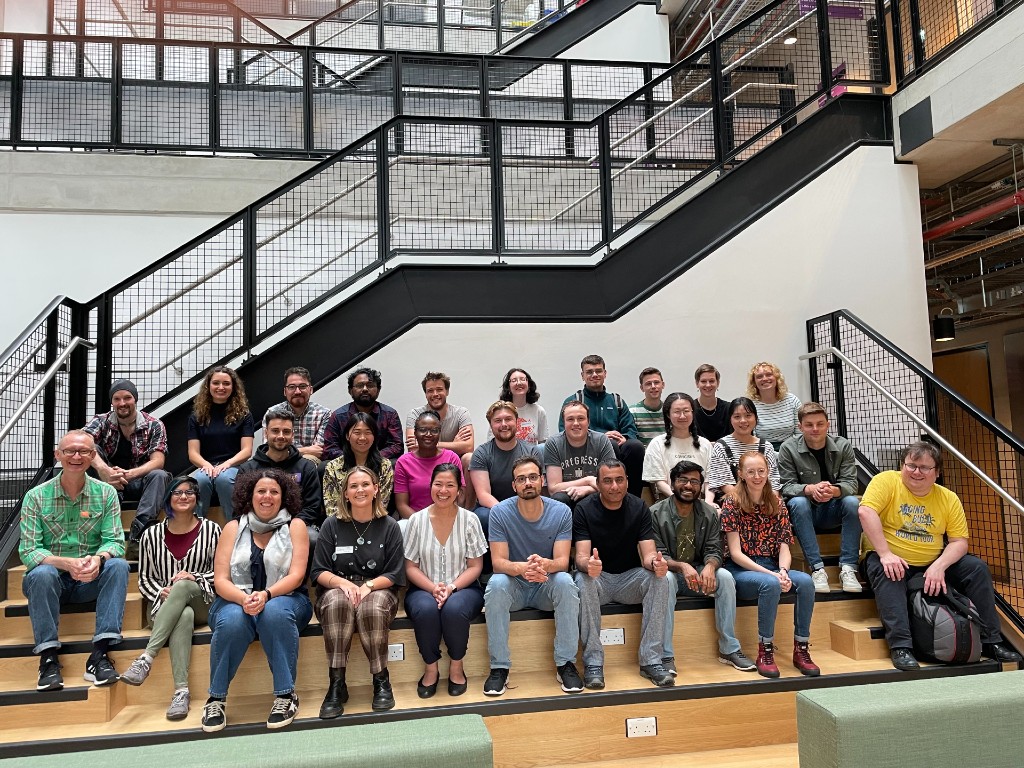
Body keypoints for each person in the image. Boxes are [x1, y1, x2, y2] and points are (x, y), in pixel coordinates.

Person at [858, 441, 1022, 671]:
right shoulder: (885, 481)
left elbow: (959, 542)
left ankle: (991, 641)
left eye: (924, 467)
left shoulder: (948, 498)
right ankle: (901, 647)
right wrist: (885, 554)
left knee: (976, 567)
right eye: (911, 465)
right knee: (891, 572)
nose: (916, 472)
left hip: (932, 561)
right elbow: (865, 511)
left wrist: (939, 566)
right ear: (902, 465)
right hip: (888, 556)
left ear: (937, 473)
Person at [202, 469, 312, 732]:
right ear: (249, 496)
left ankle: (285, 696)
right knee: (232, 620)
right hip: (234, 599)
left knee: (273, 612)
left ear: (283, 497)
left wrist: (266, 595)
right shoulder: (232, 527)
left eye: (274, 492)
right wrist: (244, 599)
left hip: (287, 598)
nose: (267, 497)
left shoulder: (295, 526)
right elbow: (221, 580)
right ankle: (215, 699)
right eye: (261, 491)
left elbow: (297, 576)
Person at [20, 430, 130, 691]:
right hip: (50, 584)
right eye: (70, 451)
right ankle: (48, 658)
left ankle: (100, 654)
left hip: (89, 581)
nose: (76, 456)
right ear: (58, 455)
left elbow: (115, 542)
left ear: (93, 456)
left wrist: (98, 558)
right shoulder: (36, 497)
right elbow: (29, 551)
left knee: (118, 565)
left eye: (84, 451)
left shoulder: (106, 494)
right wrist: (65, 563)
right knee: (41, 573)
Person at [120, 476, 221, 720]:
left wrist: (193, 577)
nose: (183, 497)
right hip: (161, 605)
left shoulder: (212, 530)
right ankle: (181, 692)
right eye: (177, 493)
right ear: (168, 499)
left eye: (189, 492)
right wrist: (160, 592)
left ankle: (146, 658)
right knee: (182, 615)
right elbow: (144, 578)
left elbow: (220, 573)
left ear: (197, 498)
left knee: (184, 585)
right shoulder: (150, 535)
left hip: (203, 601)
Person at [484, 456, 583, 695]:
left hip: (544, 586)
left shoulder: (561, 511)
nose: (527, 483)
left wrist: (544, 565)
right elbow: (498, 563)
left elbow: (561, 562)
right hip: (514, 588)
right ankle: (499, 667)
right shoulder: (499, 512)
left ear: (542, 480)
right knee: (496, 584)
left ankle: (566, 663)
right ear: (514, 485)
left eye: (532, 477)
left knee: (566, 581)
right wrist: (524, 569)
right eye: (521, 479)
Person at [311, 466, 405, 717]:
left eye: (365, 484)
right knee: (337, 604)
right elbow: (318, 571)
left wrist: (368, 586)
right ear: (345, 494)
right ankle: (336, 684)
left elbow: (395, 573)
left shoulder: (390, 526)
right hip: (337, 587)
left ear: (376, 490)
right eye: (353, 486)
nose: (360, 490)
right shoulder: (331, 525)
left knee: (371, 608)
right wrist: (344, 585)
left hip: (378, 588)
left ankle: (381, 680)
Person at [573, 461, 674, 690]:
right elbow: (580, 556)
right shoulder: (584, 509)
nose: (614, 486)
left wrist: (656, 564)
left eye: (619, 480)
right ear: (598, 484)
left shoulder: (639, 507)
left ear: (627, 481)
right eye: (607, 481)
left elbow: (648, 555)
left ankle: (651, 660)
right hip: (598, 579)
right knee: (582, 579)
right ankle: (593, 663)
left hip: (629, 579)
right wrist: (588, 564)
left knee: (661, 578)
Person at [650, 460, 756, 674]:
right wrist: (681, 566)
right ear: (672, 484)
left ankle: (729, 649)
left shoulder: (709, 512)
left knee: (725, 576)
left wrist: (710, 566)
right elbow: (658, 554)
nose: (688, 486)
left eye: (694, 481)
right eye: (682, 480)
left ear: (701, 486)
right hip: (671, 574)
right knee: (665, 579)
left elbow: (714, 549)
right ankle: (665, 654)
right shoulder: (655, 513)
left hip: (698, 573)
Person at [721, 451, 819, 678]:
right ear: (741, 474)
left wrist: (783, 571)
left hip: (772, 566)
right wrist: (772, 575)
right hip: (741, 569)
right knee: (770, 584)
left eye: (761, 471)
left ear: (768, 472)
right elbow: (735, 553)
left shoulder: (777, 502)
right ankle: (765, 650)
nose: (757, 476)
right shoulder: (731, 502)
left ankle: (801, 648)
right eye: (751, 472)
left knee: (805, 581)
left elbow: (785, 545)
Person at [404, 463, 486, 698]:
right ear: (430, 486)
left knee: (454, 609)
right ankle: (431, 668)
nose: (443, 490)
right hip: (423, 587)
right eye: (438, 484)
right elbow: (411, 567)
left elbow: (475, 566)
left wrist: (450, 587)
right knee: (426, 609)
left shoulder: (470, 520)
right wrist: (433, 588)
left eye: (450, 485)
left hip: (464, 587)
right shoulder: (416, 521)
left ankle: (456, 666)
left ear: (459, 489)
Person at [778, 403, 862, 594]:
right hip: (804, 512)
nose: (815, 429)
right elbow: (785, 486)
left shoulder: (843, 445)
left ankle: (848, 568)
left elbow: (851, 483)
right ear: (800, 427)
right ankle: (817, 568)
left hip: (832, 509)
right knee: (798, 502)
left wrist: (834, 491)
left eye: (820, 424)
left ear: (828, 425)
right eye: (809, 425)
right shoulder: (788, 448)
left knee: (852, 502)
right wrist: (810, 489)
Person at [83, 378, 170, 546]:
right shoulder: (101, 421)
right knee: (89, 448)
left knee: (160, 475)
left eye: (127, 398)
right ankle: (97, 530)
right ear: (112, 402)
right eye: (117, 399)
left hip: (138, 482)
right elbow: (80, 442)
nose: (122, 403)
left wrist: (130, 474)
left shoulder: (154, 425)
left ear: (135, 399)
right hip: (107, 484)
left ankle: (139, 534)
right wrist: (105, 471)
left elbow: (158, 461)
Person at [559, 355, 645, 497]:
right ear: (582, 376)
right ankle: (609, 493)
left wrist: (625, 437)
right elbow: (564, 430)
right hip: (588, 448)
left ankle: (632, 498)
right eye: (589, 372)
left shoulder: (616, 401)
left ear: (605, 373)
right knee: (610, 443)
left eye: (598, 371)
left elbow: (630, 428)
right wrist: (600, 437)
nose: (594, 375)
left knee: (635, 446)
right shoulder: (573, 402)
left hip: (618, 446)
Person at [239, 407, 324, 540]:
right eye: (275, 431)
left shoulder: (306, 467)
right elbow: (240, 507)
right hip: (256, 526)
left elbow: (312, 507)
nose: (280, 436)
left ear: (292, 435)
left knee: (312, 538)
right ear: (266, 433)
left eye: (286, 431)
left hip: (294, 526)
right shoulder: (248, 469)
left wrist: (288, 526)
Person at [187, 366, 255, 520]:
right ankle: (198, 528)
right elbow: (193, 453)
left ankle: (235, 525)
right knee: (200, 480)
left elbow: (247, 450)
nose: (221, 387)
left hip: (234, 466)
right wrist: (207, 466)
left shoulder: (244, 415)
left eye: (226, 383)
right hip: (207, 466)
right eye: (216, 383)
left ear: (233, 387)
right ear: (208, 386)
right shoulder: (196, 416)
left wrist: (227, 464)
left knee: (224, 479)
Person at [470, 401, 544, 536]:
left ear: (517, 422)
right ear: (491, 425)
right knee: (482, 516)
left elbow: (538, 487)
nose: (503, 424)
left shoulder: (532, 451)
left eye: (508, 419)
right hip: (493, 508)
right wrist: (508, 514)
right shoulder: (481, 453)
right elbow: (483, 495)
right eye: (498, 420)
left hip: (527, 503)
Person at [705, 397, 781, 504]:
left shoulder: (766, 446)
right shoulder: (721, 446)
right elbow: (724, 484)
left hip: (765, 501)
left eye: (748, 415)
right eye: (737, 417)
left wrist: (767, 503)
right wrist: (752, 502)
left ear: (756, 418)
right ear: (730, 419)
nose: (743, 421)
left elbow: (773, 481)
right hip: (735, 503)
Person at [544, 401, 615, 510]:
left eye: (581, 418)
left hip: (594, 494)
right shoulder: (553, 443)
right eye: (570, 419)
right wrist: (588, 480)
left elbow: (611, 482)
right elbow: (553, 489)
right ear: (564, 422)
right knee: (558, 498)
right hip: (568, 495)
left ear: (588, 422)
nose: (576, 423)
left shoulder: (601, 440)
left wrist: (588, 489)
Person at [322, 412, 395, 517]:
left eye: (368, 432)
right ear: (347, 435)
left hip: (374, 524)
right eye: (357, 432)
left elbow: (381, 504)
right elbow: (331, 507)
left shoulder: (384, 465)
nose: (362, 438)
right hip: (341, 524)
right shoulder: (333, 467)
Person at [394, 411, 462, 523]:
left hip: (448, 520)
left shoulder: (452, 458)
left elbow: (459, 498)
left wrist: (442, 522)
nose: (428, 434)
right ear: (415, 433)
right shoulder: (404, 462)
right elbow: (402, 505)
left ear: (439, 433)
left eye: (434, 430)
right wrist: (426, 524)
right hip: (415, 521)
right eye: (423, 430)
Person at [323, 367, 403, 462]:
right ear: (350, 391)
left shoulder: (389, 414)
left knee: (395, 464)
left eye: (370, 385)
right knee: (323, 467)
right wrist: (353, 459)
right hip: (347, 462)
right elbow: (330, 448)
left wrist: (371, 458)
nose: (365, 389)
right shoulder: (338, 415)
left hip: (378, 462)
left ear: (378, 390)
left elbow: (396, 446)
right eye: (359, 385)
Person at [642, 392, 711, 500]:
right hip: (668, 501)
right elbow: (659, 483)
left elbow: (709, 481)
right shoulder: (656, 444)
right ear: (668, 414)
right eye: (677, 412)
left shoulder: (705, 444)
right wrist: (681, 500)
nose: (682, 416)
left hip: (700, 502)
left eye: (686, 411)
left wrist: (707, 503)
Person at [261, 367, 332, 463]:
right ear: (285, 391)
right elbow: (268, 448)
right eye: (291, 387)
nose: (297, 391)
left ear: (311, 390)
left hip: (309, 464)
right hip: (277, 462)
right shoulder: (272, 413)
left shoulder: (324, 414)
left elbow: (318, 451)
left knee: (309, 461)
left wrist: (285, 451)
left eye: (302, 386)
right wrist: (305, 450)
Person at [405, 371, 475, 458]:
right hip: (425, 461)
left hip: (453, 463)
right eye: (430, 391)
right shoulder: (415, 414)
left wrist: (428, 444)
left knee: (469, 458)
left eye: (439, 389)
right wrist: (454, 445)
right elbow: (413, 448)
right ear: (425, 394)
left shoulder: (461, 413)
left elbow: (468, 447)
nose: (435, 394)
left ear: (447, 391)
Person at [748, 362, 802, 450]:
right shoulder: (750, 405)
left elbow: (800, 433)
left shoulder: (792, 401)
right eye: (759, 376)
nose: (764, 379)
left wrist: (788, 454)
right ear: (754, 382)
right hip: (762, 451)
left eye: (769, 375)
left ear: (777, 378)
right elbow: (751, 438)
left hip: (791, 450)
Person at [497, 368, 548, 445]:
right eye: (514, 380)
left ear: (529, 385)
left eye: (522, 379)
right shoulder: (500, 411)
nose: (519, 383)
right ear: (508, 387)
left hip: (532, 456)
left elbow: (543, 444)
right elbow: (491, 443)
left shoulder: (538, 411)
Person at [629, 367, 666, 447]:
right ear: (642, 388)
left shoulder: (670, 410)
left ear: (663, 385)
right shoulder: (632, 412)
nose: (653, 386)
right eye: (648, 384)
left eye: (656, 382)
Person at [693, 364, 730, 441]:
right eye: (703, 381)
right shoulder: (690, 409)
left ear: (718, 383)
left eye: (712, 381)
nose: (708, 385)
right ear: (697, 383)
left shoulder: (729, 408)